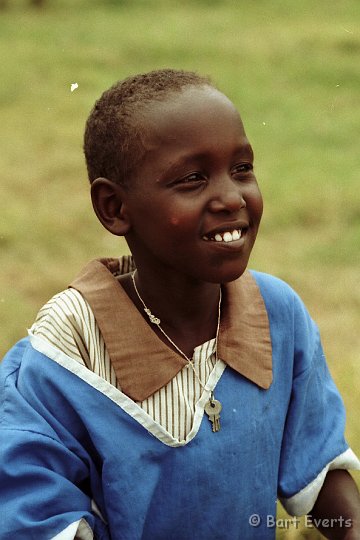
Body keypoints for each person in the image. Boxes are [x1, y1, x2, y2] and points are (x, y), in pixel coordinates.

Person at [0, 69, 359, 540]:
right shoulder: (66, 352)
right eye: (193, 179)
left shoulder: (276, 315)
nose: (232, 198)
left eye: (242, 169)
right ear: (114, 208)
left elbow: (319, 465)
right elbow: (37, 517)